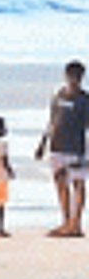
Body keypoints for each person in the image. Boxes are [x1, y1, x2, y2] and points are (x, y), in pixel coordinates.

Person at [34, 60, 88, 237]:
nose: (74, 80)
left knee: (78, 184)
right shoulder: (58, 96)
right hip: (57, 145)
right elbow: (52, 121)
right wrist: (42, 143)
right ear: (66, 76)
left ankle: (76, 224)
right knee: (60, 183)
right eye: (72, 76)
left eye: (78, 77)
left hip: (76, 147)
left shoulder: (84, 100)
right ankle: (66, 222)